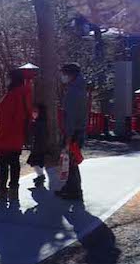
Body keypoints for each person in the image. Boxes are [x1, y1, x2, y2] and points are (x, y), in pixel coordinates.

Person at [0, 68, 32, 203]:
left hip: (6, 137)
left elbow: (4, 120)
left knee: (3, 166)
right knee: (15, 163)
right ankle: (14, 191)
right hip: (18, 136)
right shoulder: (26, 95)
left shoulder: (11, 96)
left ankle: (1, 192)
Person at [58, 62, 87, 201]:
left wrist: (68, 135)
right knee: (70, 161)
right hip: (79, 129)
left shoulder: (73, 92)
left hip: (73, 131)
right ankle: (70, 188)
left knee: (71, 161)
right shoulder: (80, 90)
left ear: (70, 75)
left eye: (64, 73)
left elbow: (71, 116)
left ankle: (74, 190)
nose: (62, 76)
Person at [26, 103, 48, 188]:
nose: (33, 113)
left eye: (35, 112)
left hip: (38, 146)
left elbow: (37, 135)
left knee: (35, 162)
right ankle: (40, 176)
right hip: (39, 146)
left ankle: (41, 176)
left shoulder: (39, 123)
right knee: (38, 162)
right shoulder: (41, 122)